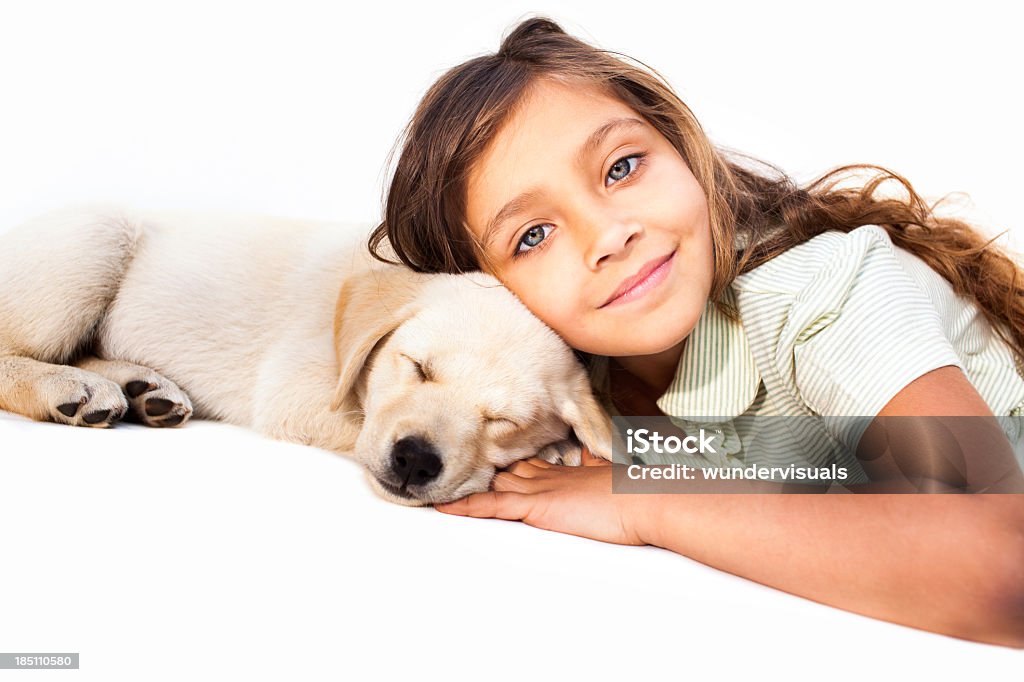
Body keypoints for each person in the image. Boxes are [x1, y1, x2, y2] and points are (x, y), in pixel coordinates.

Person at [368, 17, 1024, 647]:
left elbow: (1001, 562)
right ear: (487, 293)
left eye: (622, 167)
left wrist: (652, 502)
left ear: (683, 149)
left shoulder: (824, 295)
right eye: (533, 235)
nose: (609, 234)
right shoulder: (563, 389)